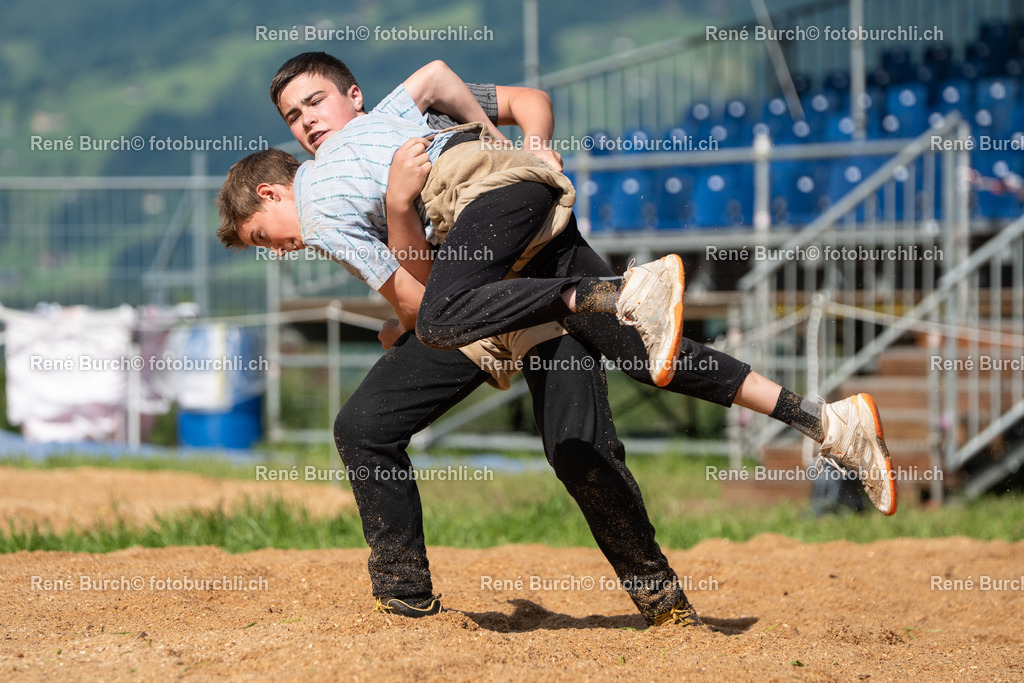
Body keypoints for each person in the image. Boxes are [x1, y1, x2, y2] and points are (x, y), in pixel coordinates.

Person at [219, 53, 898, 620]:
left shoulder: (405, 123)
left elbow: (523, 102)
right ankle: (405, 600)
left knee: (584, 442)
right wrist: (408, 287)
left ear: (352, 96)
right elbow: (418, 289)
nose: (307, 123)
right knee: (367, 422)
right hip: (480, 293)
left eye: (314, 105)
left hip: (517, 266)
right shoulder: (358, 181)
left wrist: (536, 145)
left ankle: (661, 596)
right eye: (293, 118)